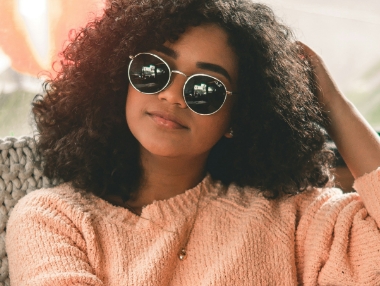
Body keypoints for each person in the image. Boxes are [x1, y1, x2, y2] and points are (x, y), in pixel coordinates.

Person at [6, 0, 380, 285]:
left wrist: (332, 102)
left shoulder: (291, 214)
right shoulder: (52, 217)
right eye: (154, 71)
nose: (172, 96)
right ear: (120, 78)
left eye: (205, 88)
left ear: (238, 115)